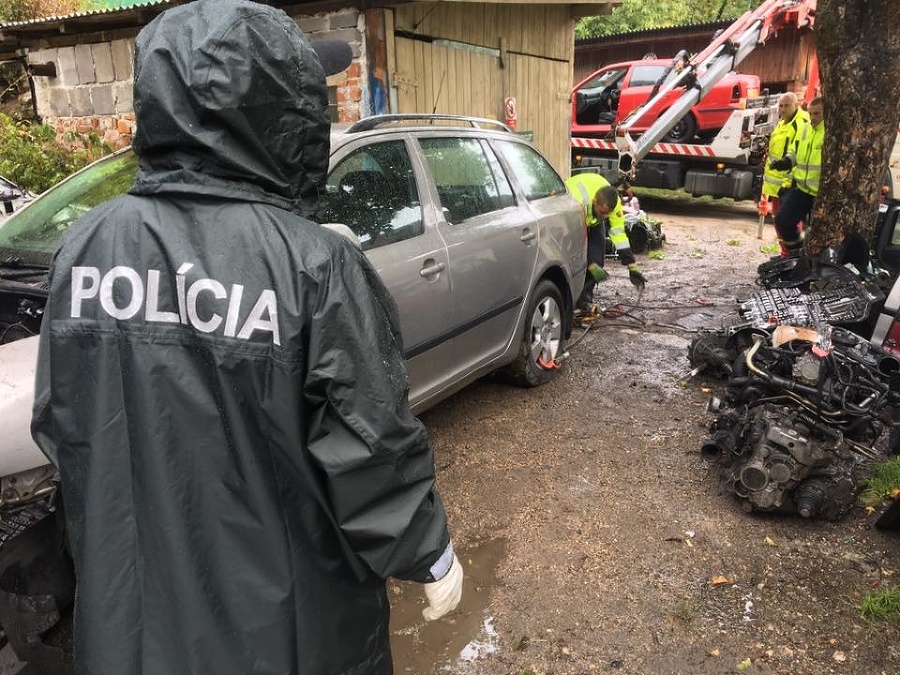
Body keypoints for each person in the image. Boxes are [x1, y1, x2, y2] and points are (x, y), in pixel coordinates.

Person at [30, 1, 461, 673]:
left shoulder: (85, 247)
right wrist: (427, 549)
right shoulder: (313, 264)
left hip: (133, 624)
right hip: (287, 630)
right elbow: (369, 443)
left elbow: (64, 424)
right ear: (278, 111)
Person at [565, 172, 646, 312]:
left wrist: (632, 267)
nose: (605, 217)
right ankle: (568, 300)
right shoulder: (577, 202)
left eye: (607, 214)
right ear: (594, 201)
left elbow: (619, 235)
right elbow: (574, 241)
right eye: (602, 212)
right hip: (573, 220)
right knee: (579, 262)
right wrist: (589, 263)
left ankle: (584, 300)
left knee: (598, 261)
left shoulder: (612, 206)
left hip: (592, 218)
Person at [771, 96, 825, 256]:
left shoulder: (830, 132)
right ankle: (796, 254)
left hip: (821, 193)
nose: (813, 118)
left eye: (817, 114)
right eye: (810, 114)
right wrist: (786, 161)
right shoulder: (806, 129)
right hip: (803, 188)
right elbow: (795, 151)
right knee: (782, 221)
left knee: (816, 232)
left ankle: (808, 259)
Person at [760, 92, 809, 224]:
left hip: (788, 184)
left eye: (787, 106)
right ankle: (784, 245)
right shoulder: (783, 122)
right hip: (776, 183)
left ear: (796, 104)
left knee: (789, 223)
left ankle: (792, 245)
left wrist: (787, 184)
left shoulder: (801, 123)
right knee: (778, 220)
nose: (783, 109)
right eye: (781, 106)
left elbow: (798, 155)